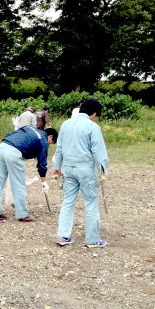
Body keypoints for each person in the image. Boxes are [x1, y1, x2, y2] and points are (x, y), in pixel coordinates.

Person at [53, 98, 109, 248]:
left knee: (68, 201)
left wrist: (56, 166)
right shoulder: (93, 127)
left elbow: (59, 147)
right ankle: (92, 240)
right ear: (94, 113)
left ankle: (63, 235)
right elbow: (98, 150)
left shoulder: (66, 124)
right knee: (90, 203)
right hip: (85, 169)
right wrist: (103, 171)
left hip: (68, 168)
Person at [0, 126, 58, 222]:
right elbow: (42, 164)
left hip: (2, 146)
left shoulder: (29, 128)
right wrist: (44, 182)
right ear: (50, 137)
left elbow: (11, 134)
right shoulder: (43, 139)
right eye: (51, 143)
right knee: (18, 184)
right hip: (14, 152)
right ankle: (22, 214)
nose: (49, 145)